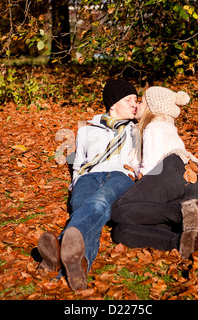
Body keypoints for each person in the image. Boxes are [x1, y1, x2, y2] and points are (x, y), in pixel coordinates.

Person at [111, 86, 198, 272]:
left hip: (176, 172)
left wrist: (136, 176)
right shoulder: (165, 126)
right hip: (191, 184)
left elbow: (152, 169)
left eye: (142, 101)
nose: (137, 105)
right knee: (121, 231)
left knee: (120, 210)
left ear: (154, 108)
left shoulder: (155, 127)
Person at [37, 79, 138, 290]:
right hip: (88, 177)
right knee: (83, 208)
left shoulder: (136, 131)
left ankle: (58, 248)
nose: (134, 104)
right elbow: (80, 164)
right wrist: (75, 183)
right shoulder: (86, 130)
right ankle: (80, 265)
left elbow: (144, 161)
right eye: (129, 100)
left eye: (136, 100)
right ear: (113, 104)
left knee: (98, 203)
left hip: (120, 176)